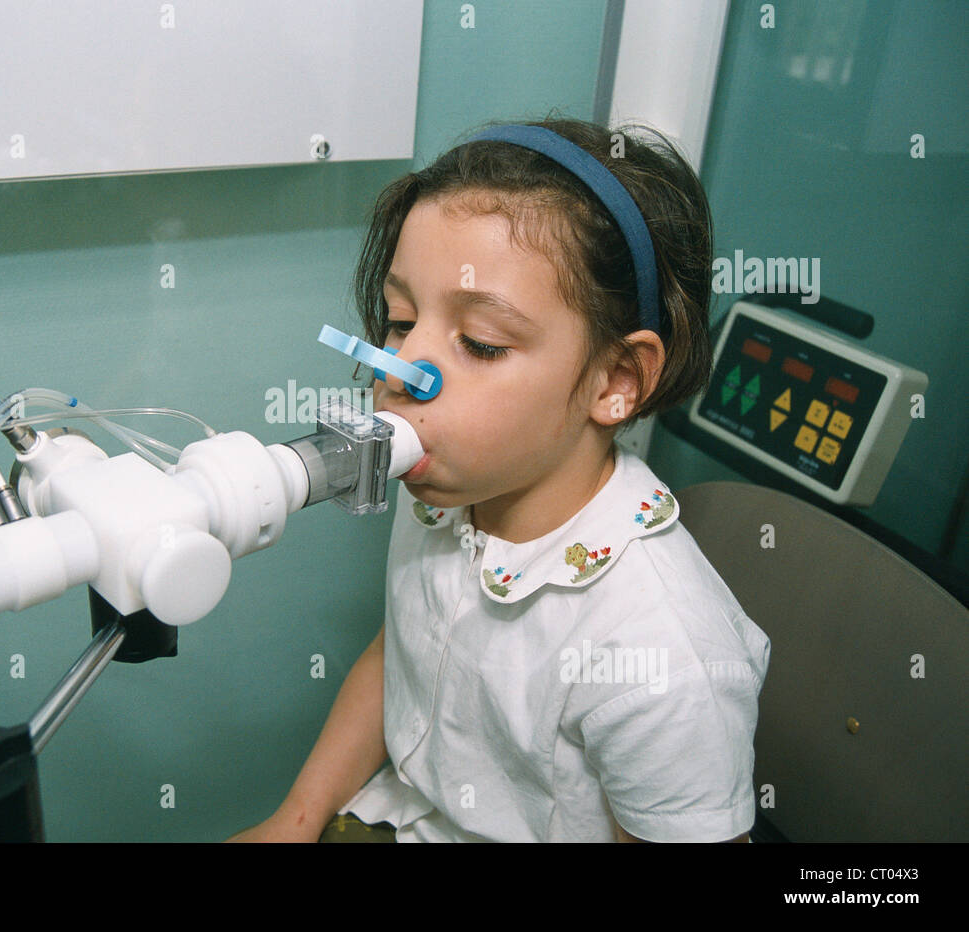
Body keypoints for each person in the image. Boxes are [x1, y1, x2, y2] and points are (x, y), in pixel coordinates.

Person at [227, 116, 770, 843]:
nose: (401, 375)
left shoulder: (663, 659)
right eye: (399, 320)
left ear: (615, 379)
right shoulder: (447, 493)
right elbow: (401, 653)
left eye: (480, 343)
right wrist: (294, 821)